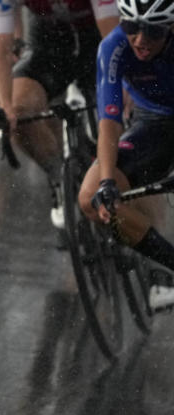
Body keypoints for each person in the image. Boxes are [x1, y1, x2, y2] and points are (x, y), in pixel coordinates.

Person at [0, 0, 119, 233]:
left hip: (98, 40)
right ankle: (61, 178)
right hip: (49, 45)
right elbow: (0, 52)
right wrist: (6, 108)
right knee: (19, 118)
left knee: (119, 115)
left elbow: (113, 40)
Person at [78, 0, 174, 311]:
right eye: (132, 27)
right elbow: (109, 121)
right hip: (152, 123)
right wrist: (107, 181)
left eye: (153, 31)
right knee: (92, 197)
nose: (141, 40)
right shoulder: (114, 47)